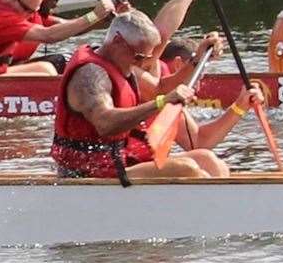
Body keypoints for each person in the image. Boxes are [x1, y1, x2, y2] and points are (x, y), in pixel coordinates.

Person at [52, 10, 245, 181]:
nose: (141, 63)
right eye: (138, 57)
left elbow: (160, 88)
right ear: (117, 41)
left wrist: (198, 58)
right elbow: (104, 123)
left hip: (119, 159)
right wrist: (162, 103)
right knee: (188, 169)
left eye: (145, 58)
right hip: (86, 171)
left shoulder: (124, 65)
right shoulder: (91, 74)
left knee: (207, 159)